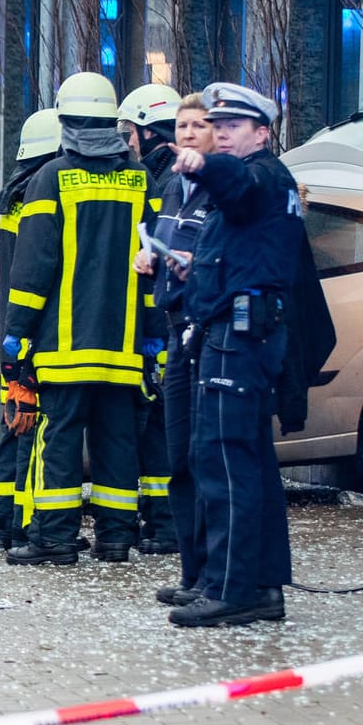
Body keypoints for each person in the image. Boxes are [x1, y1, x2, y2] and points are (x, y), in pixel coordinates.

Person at [166, 83, 308, 626]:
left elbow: (238, 188)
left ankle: (231, 589)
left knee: (225, 462)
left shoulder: (260, 176)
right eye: (216, 125)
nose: (221, 133)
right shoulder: (260, 182)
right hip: (236, 334)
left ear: (263, 133)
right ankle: (261, 586)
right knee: (249, 463)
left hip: (239, 339)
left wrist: (202, 163)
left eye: (233, 127)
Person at [2, 72, 154, 566]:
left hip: (64, 345)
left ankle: (56, 539)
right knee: (117, 440)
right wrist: (153, 336)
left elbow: (33, 271)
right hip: (125, 344)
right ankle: (115, 539)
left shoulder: (52, 178)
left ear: (65, 121)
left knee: (59, 439)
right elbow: (155, 265)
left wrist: (17, 338)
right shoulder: (141, 179)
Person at [140, 95, 219, 605]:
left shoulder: (222, 188)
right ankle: (193, 574)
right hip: (175, 327)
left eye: (199, 125)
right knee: (180, 460)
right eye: (182, 125)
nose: (187, 133)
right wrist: (151, 257)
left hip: (206, 331)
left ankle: (213, 575)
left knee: (204, 457)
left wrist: (196, 263)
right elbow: (166, 242)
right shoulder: (174, 186)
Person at [0, 107, 61, 552]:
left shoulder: (11, 199)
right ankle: (21, 526)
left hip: (13, 335)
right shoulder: (39, 199)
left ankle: (5, 525)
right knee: (31, 434)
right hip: (33, 335)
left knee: (13, 427)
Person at [119, 83, 183, 556]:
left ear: (149, 130)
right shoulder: (163, 180)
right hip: (165, 327)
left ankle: (165, 525)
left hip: (163, 328)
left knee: (159, 429)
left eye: (131, 132)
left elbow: (156, 269)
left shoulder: (160, 184)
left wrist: (153, 339)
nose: (127, 142)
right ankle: (163, 522)